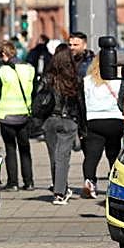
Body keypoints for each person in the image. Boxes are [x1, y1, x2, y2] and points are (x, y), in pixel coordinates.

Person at [32, 46, 85, 205]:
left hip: (50, 121)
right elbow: (81, 104)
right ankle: (59, 193)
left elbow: (38, 98)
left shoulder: (48, 78)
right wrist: (83, 127)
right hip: (69, 121)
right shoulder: (75, 79)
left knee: (54, 157)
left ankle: (60, 188)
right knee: (62, 157)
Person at [0, 40, 36, 191]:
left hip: (7, 116)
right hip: (24, 114)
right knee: (25, 149)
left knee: (10, 149)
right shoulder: (29, 69)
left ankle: (13, 183)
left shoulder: (2, 71)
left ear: (4, 54)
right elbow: (34, 91)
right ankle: (29, 182)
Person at [81, 54, 123, 199]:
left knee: (92, 155)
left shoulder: (87, 81)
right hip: (115, 120)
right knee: (114, 154)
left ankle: (89, 182)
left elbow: (83, 102)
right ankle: (116, 184)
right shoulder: (118, 81)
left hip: (93, 120)